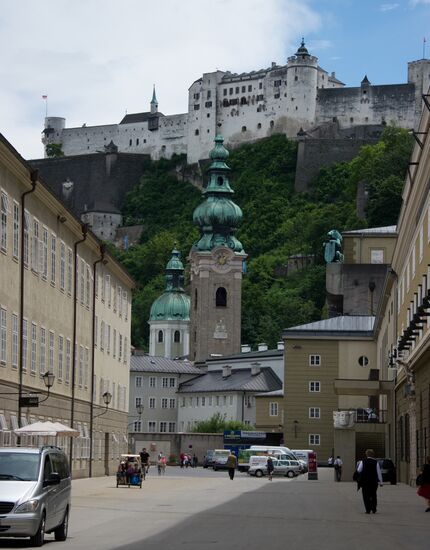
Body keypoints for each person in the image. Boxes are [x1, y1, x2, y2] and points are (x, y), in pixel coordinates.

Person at [356, 449, 383, 514]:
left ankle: (368, 509)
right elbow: (379, 472)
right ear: (373, 455)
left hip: (365, 482)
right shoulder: (376, 462)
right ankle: (374, 509)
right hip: (374, 482)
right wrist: (381, 482)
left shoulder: (363, 461)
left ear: (366, 454)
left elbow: (359, 470)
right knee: (373, 495)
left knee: (366, 495)